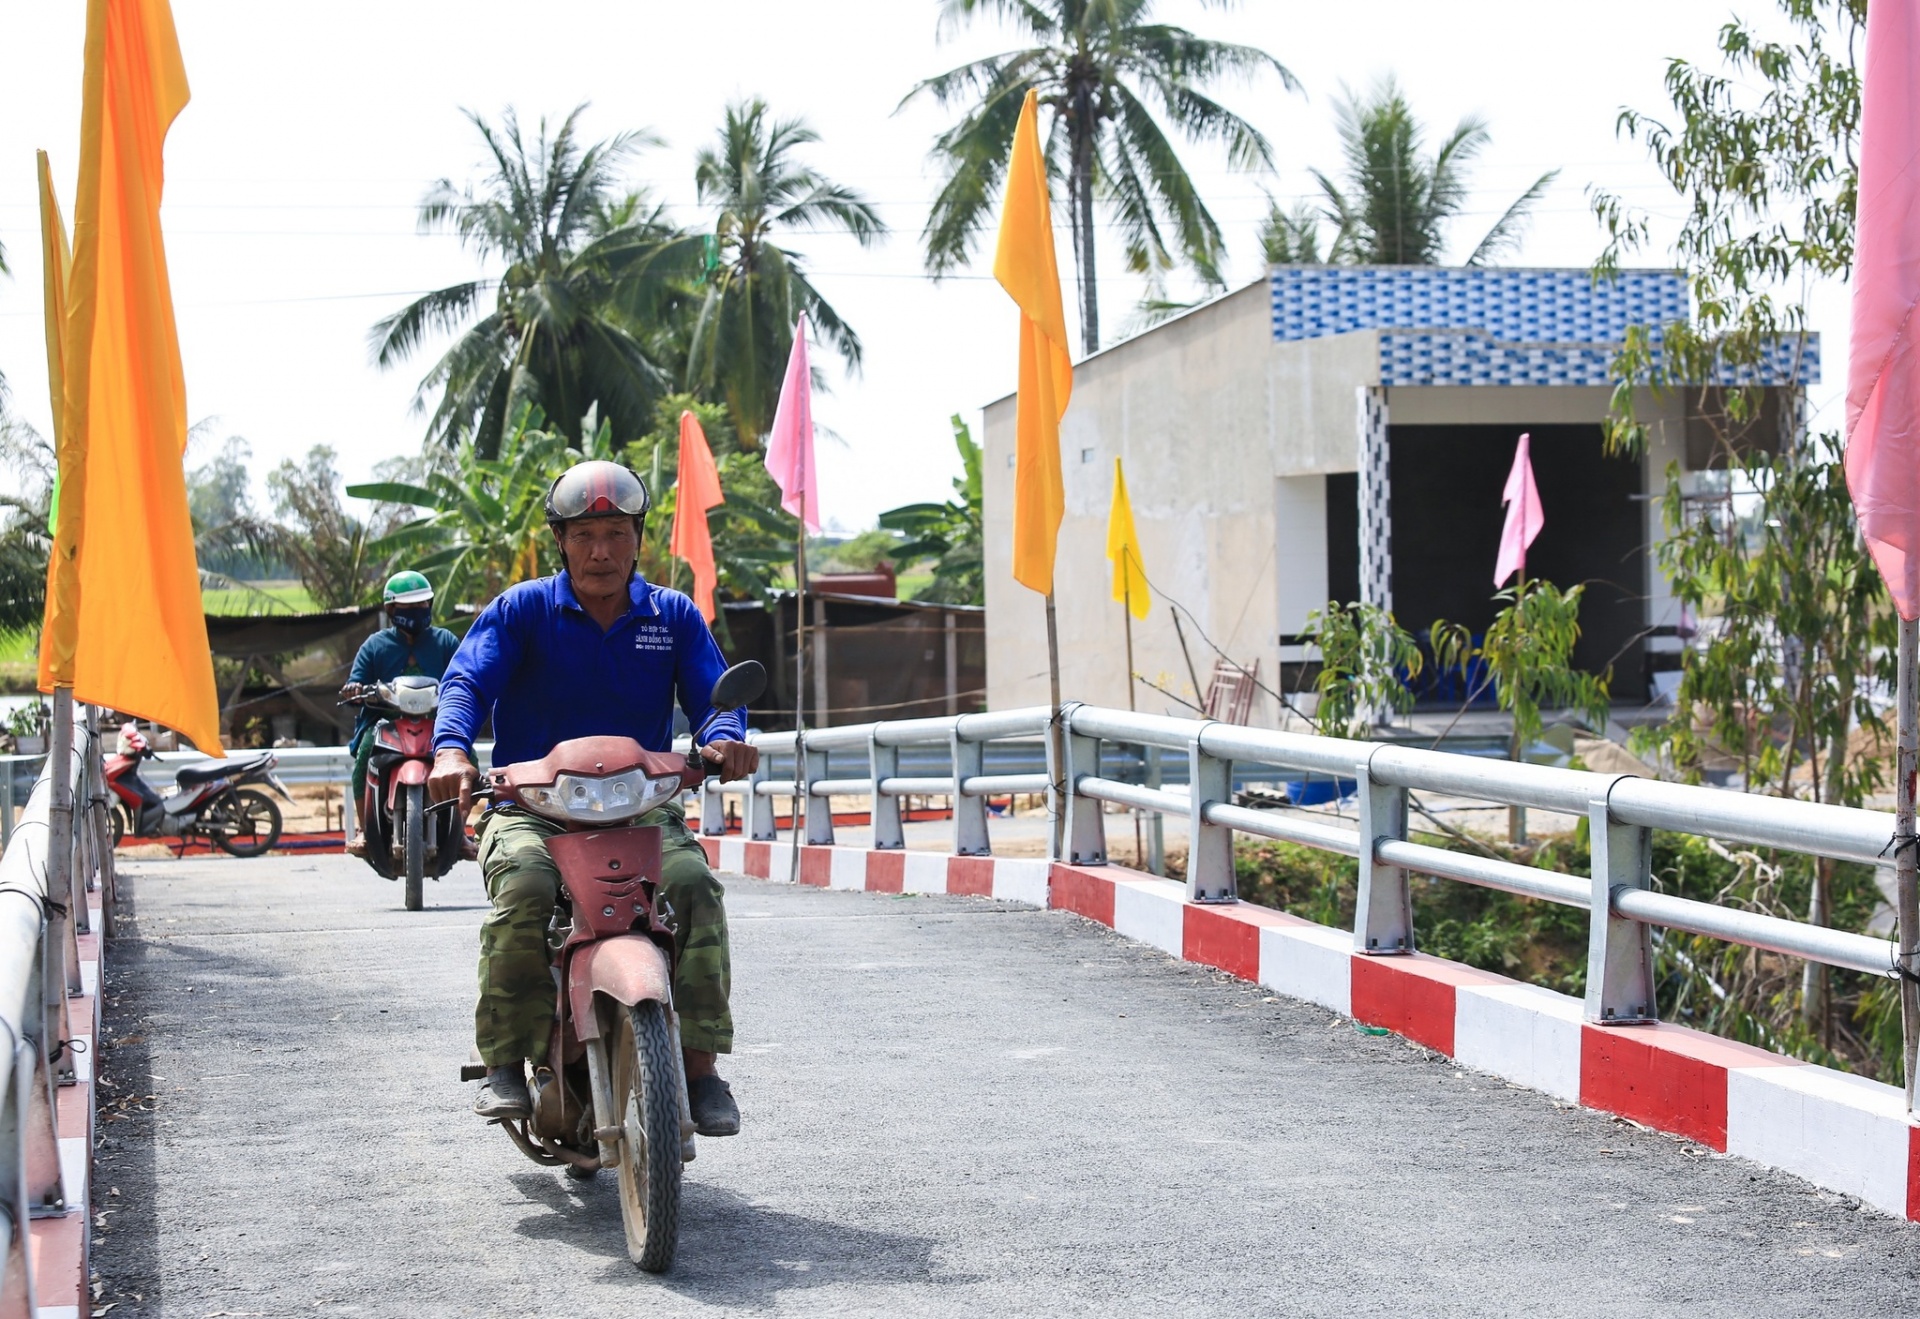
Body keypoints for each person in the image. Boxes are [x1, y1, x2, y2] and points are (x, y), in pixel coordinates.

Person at [427, 460, 758, 1137]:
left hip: (643, 806)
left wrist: (725, 738)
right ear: (561, 542)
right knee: (523, 887)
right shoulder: (522, 611)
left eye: (615, 534)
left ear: (639, 539)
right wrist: (451, 749)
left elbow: (714, 697)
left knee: (695, 886)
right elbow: (466, 682)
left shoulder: (671, 615)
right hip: (531, 808)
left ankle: (700, 1069)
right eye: (583, 536)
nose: (600, 551)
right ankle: (504, 1062)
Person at [343, 571, 461, 859]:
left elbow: (464, 674)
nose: (417, 610)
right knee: (364, 756)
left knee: (463, 755)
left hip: (436, 721)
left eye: (422, 604)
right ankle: (365, 830)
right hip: (386, 723)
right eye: (409, 607)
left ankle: (460, 832)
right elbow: (356, 680)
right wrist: (355, 688)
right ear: (391, 609)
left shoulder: (445, 641)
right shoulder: (375, 645)